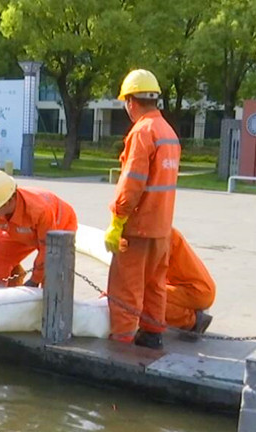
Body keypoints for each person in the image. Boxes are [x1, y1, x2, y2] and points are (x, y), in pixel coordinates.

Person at [104, 69, 181, 349]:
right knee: (154, 284)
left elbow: (132, 182)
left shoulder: (142, 132)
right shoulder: (168, 132)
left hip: (137, 227)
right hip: (161, 227)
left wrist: (117, 221)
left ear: (131, 101)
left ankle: (122, 341)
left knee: (125, 286)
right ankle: (152, 334)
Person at [164, 228, 215, 332]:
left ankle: (191, 320)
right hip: (197, 290)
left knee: (137, 297)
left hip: (195, 291)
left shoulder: (154, 234)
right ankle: (187, 314)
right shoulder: (161, 228)